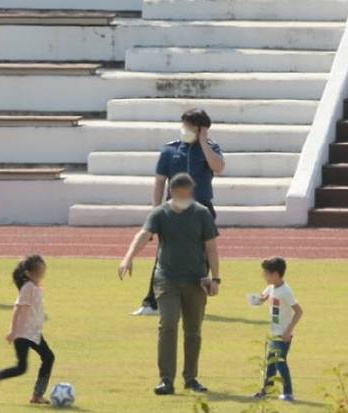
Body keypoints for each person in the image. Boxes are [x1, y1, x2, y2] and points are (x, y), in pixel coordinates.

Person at [118, 173, 222, 395]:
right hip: (167, 279)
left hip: (196, 280)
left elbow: (211, 247)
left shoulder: (202, 214)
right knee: (168, 324)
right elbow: (144, 235)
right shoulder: (161, 213)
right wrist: (128, 257)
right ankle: (166, 379)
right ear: (172, 193)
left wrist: (215, 278)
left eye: (187, 194)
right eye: (180, 194)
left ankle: (191, 377)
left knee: (193, 330)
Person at [132, 108, 225, 316]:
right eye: (184, 125)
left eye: (190, 126)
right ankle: (152, 302)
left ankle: (193, 299)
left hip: (201, 209)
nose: (185, 129)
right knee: (164, 256)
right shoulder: (170, 150)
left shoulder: (211, 148)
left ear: (201, 129)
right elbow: (159, 182)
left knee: (203, 257)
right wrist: (155, 212)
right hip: (172, 210)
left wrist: (203, 141)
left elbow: (218, 167)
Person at [0, 255, 55, 404]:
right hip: (23, 334)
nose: (42, 275)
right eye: (40, 272)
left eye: (43, 272)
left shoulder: (35, 287)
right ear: (29, 274)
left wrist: (41, 315)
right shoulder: (28, 288)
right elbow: (17, 310)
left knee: (48, 358)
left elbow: (33, 308)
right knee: (21, 367)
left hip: (33, 333)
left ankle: (37, 395)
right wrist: (12, 331)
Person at [251, 257, 303, 402]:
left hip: (283, 335)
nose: (264, 276)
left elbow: (299, 311)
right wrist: (258, 300)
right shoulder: (271, 287)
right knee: (271, 363)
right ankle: (267, 390)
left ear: (275, 274)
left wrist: (288, 331)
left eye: (266, 274)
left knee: (280, 362)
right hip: (275, 333)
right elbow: (263, 298)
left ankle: (288, 393)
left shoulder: (286, 291)